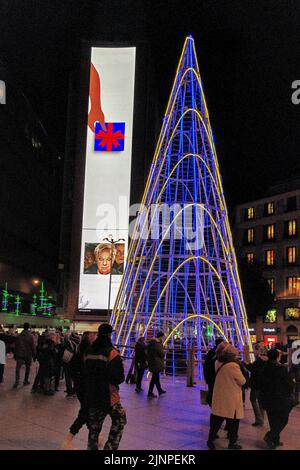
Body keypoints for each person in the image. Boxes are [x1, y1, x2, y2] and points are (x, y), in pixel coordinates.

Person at [85, 323, 126, 450]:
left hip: (92, 394)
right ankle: (110, 447)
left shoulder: (89, 350)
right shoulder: (112, 353)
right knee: (120, 420)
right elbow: (118, 377)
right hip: (108, 396)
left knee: (94, 427)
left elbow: (84, 372)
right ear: (109, 335)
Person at [207, 342, 246, 450]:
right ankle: (232, 443)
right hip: (231, 397)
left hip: (219, 396)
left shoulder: (217, 362)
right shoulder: (233, 366)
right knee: (233, 422)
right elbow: (242, 381)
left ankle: (210, 440)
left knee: (216, 421)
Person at [61, 331, 97, 450]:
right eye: (93, 336)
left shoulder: (79, 351)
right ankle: (68, 439)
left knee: (86, 412)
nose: (95, 338)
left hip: (81, 387)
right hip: (86, 387)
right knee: (85, 413)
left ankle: (96, 437)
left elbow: (71, 369)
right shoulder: (89, 353)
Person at [261, 349, 295, 449]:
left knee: (273, 420)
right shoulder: (281, 369)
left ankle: (275, 440)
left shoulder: (264, 367)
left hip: (267, 398)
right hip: (279, 399)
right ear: (277, 357)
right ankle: (270, 436)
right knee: (283, 419)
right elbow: (289, 384)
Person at [244, 342, 267, 426]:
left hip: (256, 383)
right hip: (263, 384)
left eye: (254, 349)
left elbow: (254, 369)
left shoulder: (259, 360)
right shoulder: (265, 359)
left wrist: (246, 365)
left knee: (253, 399)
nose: (253, 351)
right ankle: (261, 419)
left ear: (257, 350)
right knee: (260, 401)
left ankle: (259, 419)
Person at [203, 338, 225, 406]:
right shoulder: (223, 354)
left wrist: (206, 377)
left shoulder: (211, 352)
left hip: (211, 377)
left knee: (212, 391)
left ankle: (212, 405)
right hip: (217, 377)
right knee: (216, 393)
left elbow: (206, 366)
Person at [13, 322, 36, 388]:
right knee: (28, 368)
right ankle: (25, 380)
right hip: (28, 355)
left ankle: (17, 382)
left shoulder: (19, 335)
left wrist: (15, 354)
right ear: (28, 327)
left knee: (18, 368)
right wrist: (34, 355)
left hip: (20, 354)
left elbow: (16, 346)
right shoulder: (31, 336)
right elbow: (33, 346)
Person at [147, 331, 166, 398]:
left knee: (156, 377)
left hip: (152, 362)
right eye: (163, 337)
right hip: (156, 363)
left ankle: (159, 390)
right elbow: (162, 354)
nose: (164, 338)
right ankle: (150, 392)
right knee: (154, 378)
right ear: (160, 337)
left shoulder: (151, 343)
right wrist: (164, 351)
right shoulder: (157, 344)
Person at [62, 332, 81, 398]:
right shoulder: (79, 343)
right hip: (76, 363)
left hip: (69, 362)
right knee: (75, 378)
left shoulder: (69, 343)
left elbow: (65, 352)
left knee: (68, 377)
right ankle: (74, 391)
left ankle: (69, 392)